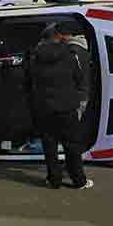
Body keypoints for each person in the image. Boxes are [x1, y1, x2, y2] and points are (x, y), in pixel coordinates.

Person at [27, 21, 93, 189]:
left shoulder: (35, 58)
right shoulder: (69, 56)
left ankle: (54, 180)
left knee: (50, 146)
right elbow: (79, 79)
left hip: (44, 108)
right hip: (67, 108)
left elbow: (29, 82)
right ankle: (79, 180)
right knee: (72, 146)